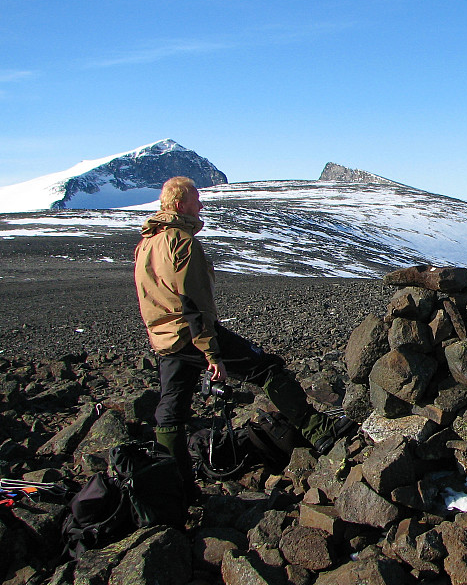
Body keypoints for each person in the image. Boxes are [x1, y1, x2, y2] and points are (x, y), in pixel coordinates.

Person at [134, 176, 339, 495]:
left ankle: (178, 490)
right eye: (195, 200)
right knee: (267, 368)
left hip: (166, 341)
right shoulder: (181, 242)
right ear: (179, 205)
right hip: (193, 334)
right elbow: (194, 303)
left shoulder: (147, 243)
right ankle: (320, 430)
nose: (200, 206)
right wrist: (212, 354)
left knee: (170, 411)